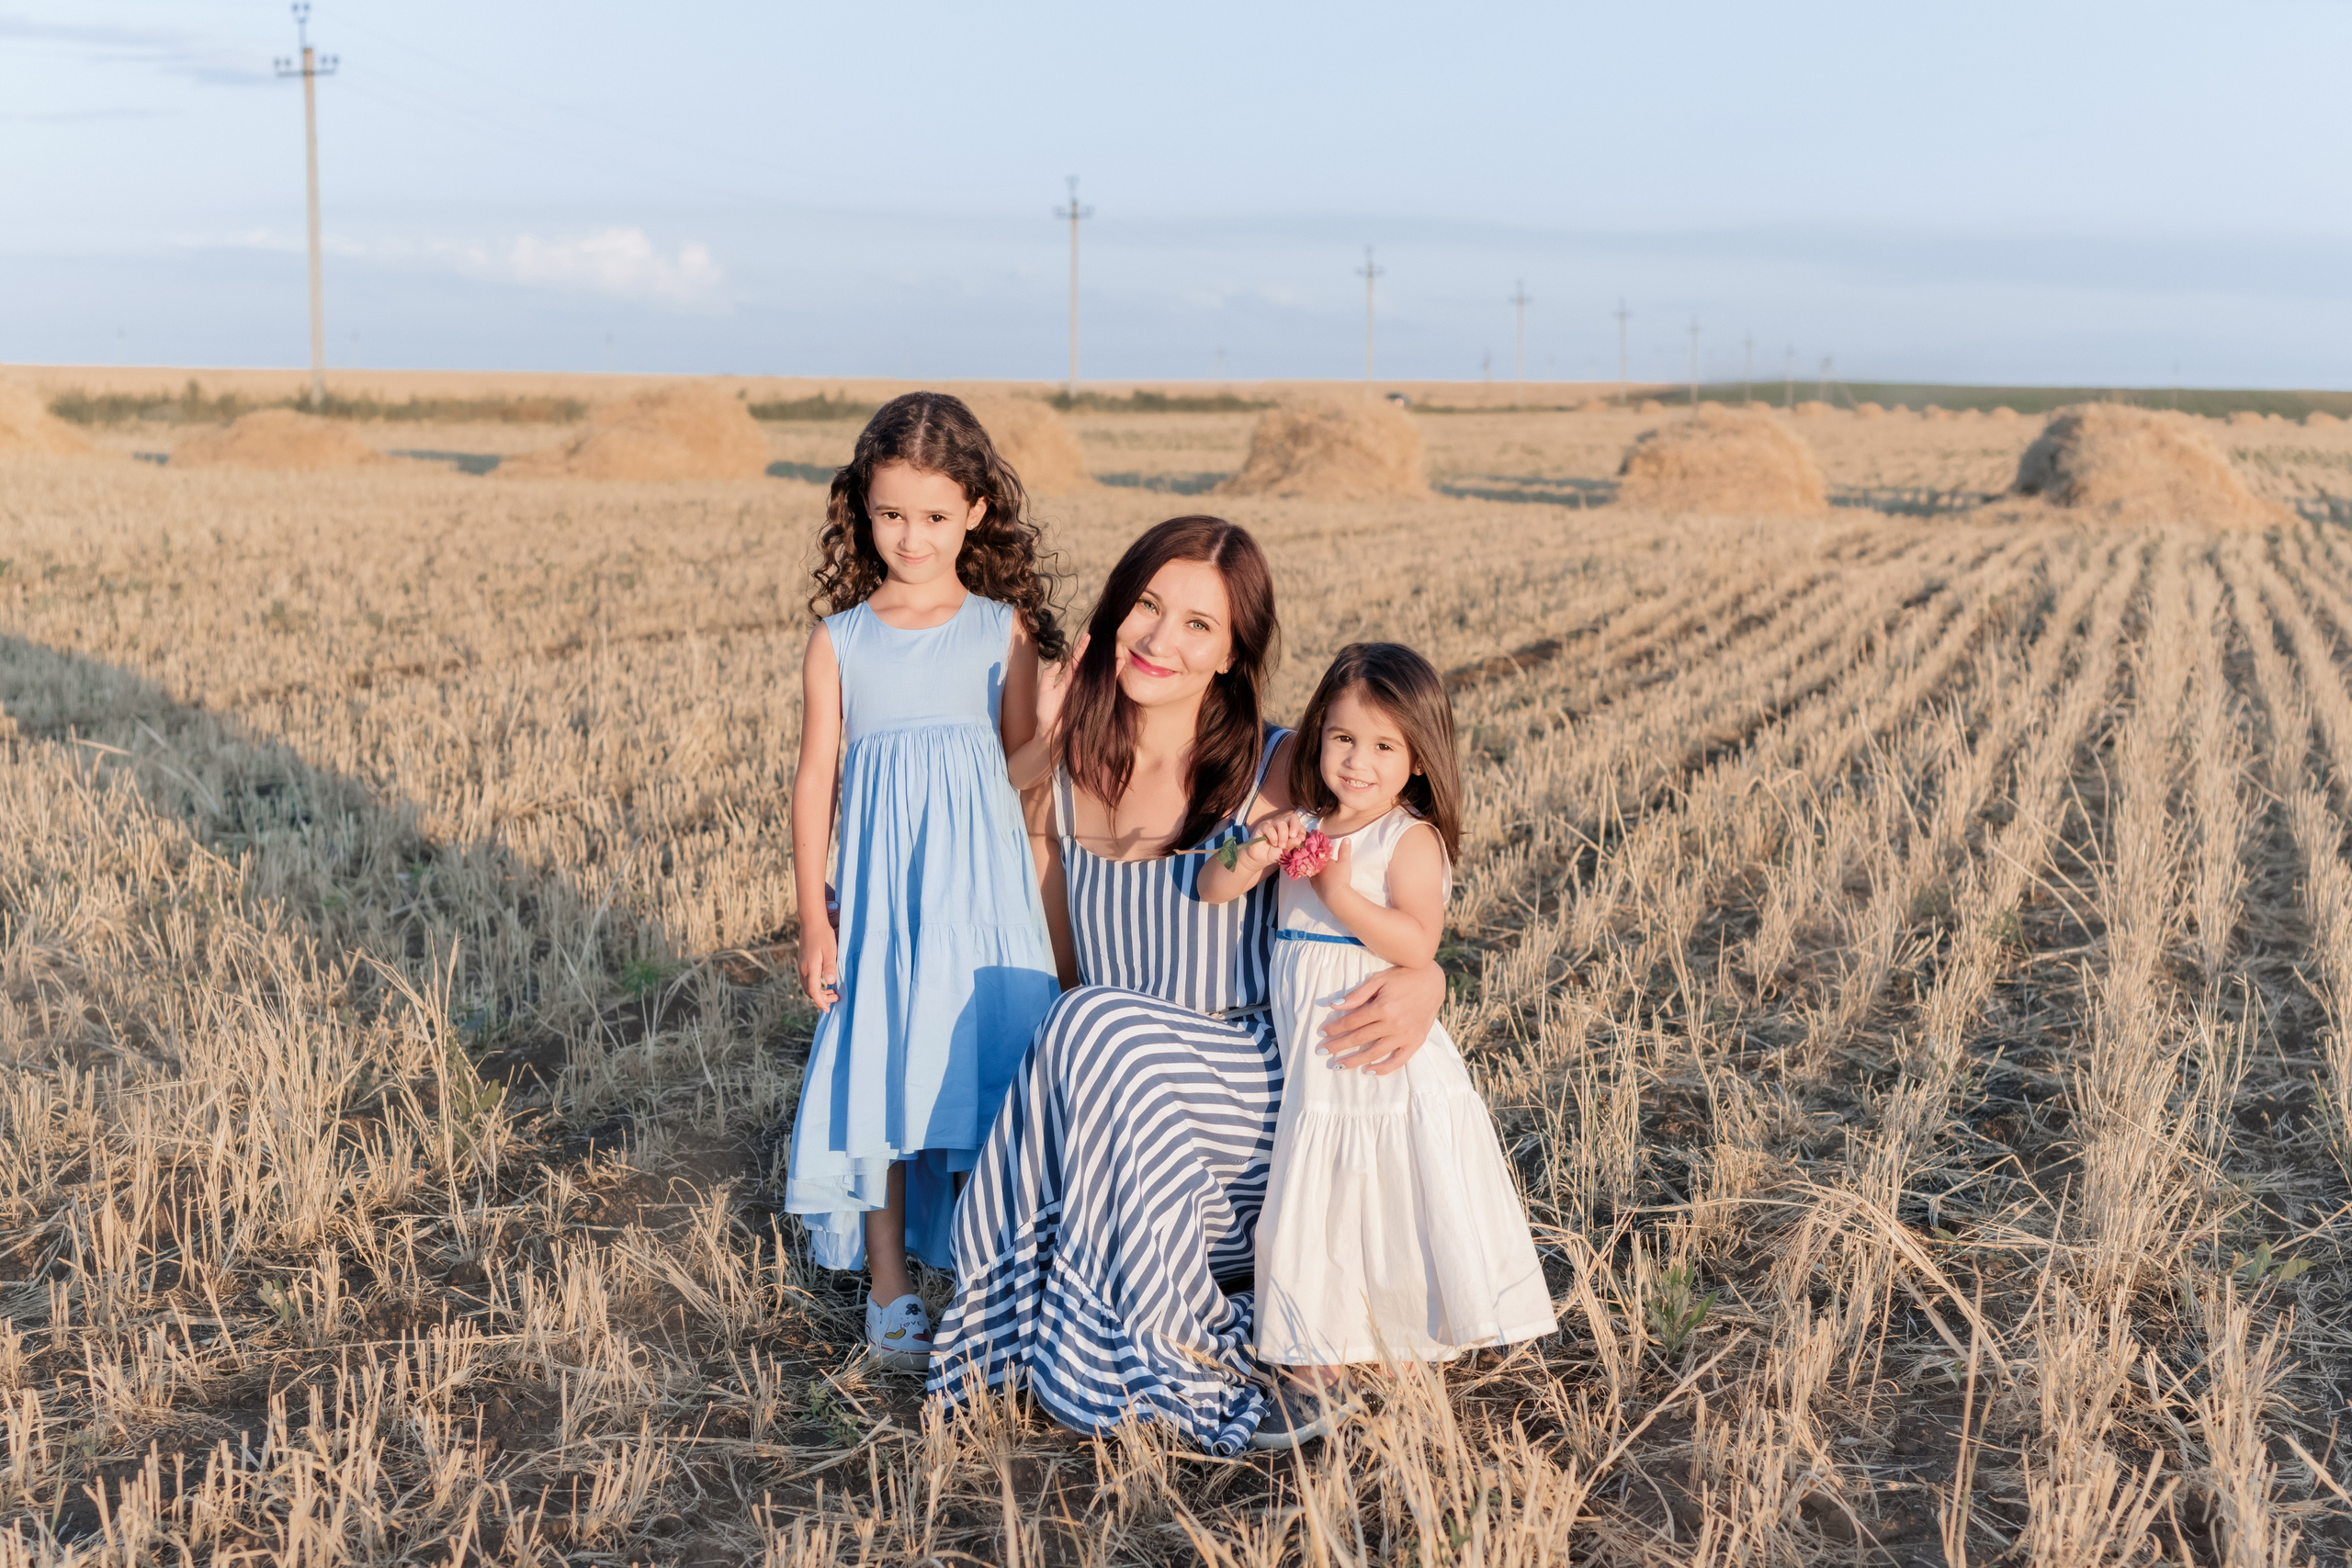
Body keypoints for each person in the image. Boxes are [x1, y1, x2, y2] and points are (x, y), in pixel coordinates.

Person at [926, 515, 1451, 1454]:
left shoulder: (1282, 763)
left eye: (1198, 626)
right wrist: (1030, 759)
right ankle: (1012, 1325)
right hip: (1130, 1122)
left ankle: (1192, 1359)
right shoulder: (1057, 779)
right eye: (1148, 606)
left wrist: (1431, 979)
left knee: (1094, 1025)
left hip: (1256, 1107)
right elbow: (1063, 971)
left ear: (1232, 656)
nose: (1161, 641)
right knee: (1085, 1021)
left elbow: (1398, 864)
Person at [783, 391, 1064, 1371]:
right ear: (862, 508)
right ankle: (892, 1289)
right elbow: (816, 778)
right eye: (891, 512)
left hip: (984, 901)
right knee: (885, 1075)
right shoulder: (841, 642)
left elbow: (1023, 767)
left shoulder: (1001, 630)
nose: (911, 535)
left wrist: (1066, 732)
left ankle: (998, 1280)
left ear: (977, 513)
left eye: (934, 516)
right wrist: (813, 918)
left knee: (996, 1076)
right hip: (884, 902)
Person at [1199, 642, 1555, 1381]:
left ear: (1419, 758)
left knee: (1387, 1190)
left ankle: (1406, 1331)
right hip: (1314, 1057)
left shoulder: (1407, 839)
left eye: (1384, 746)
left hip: (1377, 1048)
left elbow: (1419, 942)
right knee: (1323, 1193)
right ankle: (1317, 1339)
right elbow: (1212, 889)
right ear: (1319, 734)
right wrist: (1258, 850)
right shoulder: (1303, 824)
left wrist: (1339, 893)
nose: (1358, 761)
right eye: (1343, 738)